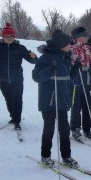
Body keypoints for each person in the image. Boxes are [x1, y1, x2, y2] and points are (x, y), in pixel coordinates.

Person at [32, 30, 80, 168]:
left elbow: (68, 77)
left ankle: (66, 156)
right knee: (49, 129)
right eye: (67, 44)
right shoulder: (45, 58)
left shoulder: (65, 57)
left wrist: (75, 68)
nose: (70, 46)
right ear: (60, 45)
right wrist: (49, 70)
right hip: (49, 101)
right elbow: (36, 76)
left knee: (64, 130)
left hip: (63, 100)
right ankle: (45, 156)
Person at [0, 23, 38, 130]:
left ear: (14, 37)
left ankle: (16, 120)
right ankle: (13, 117)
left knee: (17, 99)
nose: (9, 38)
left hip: (17, 79)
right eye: (6, 36)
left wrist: (34, 57)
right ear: (3, 37)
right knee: (9, 99)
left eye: (11, 36)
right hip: (3, 79)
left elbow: (32, 61)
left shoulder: (20, 48)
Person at [68, 26, 91, 141]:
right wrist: (74, 69)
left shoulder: (87, 47)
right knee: (76, 106)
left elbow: (90, 61)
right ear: (79, 37)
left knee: (86, 106)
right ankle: (75, 128)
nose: (87, 37)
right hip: (76, 79)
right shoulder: (71, 48)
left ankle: (87, 129)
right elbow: (68, 64)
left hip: (86, 78)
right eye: (85, 36)